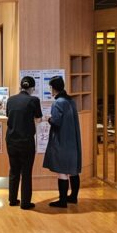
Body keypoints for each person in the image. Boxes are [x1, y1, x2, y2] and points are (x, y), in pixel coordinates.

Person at [43, 76, 82, 208]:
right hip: (73, 140)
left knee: (62, 171)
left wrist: (49, 119)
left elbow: (56, 122)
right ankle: (73, 197)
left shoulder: (58, 102)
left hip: (62, 140)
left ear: (53, 88)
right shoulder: (71, 101)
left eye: (50, 87)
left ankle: (63, 200)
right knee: (73, 171)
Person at [6, 76, 42, 210]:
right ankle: (25, 203)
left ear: (21, 86)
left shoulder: (10, 100)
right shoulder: (34, 100)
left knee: (14, 170)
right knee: (26, 172)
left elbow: (9, 116)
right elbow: (38, 119)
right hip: (26, 141)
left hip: (11, 140)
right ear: (32, 88)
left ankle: (12, 199)